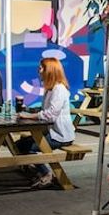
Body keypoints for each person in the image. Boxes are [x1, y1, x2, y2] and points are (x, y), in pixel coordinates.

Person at [16, 57, 74, 189]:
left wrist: (30, 115)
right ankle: (39, 171)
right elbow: (46, 111)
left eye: (41, 68)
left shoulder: (59, 89)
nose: (39, 70)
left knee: (27, 147)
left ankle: (46, 173)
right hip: (52, 132)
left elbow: (51, 116)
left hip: (60, 135)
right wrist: (30, 111)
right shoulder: (50, 89)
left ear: (50, 70)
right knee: (19, 145)